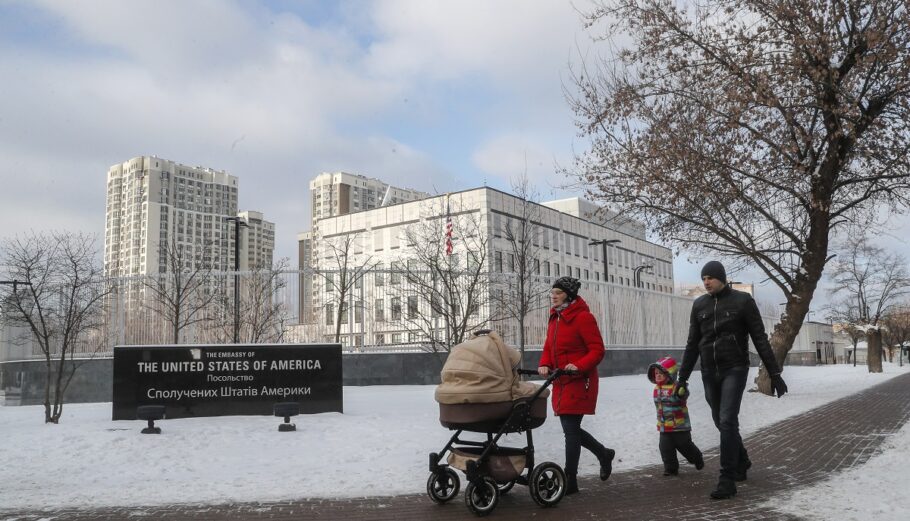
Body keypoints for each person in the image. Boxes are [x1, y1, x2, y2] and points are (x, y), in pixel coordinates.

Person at [675, 261, 788, 500]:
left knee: (727, 420)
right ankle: (742, 459)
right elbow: (692, 344)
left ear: (721, 278)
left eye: (710, 278)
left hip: (734, 368)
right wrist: (681, 378)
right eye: (703, 278)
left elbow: (759, 338)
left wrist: (774, 374)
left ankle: (727, 479)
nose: (706, 282)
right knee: (719, 419)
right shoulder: (699, 305)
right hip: (709, 370)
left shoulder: (742, 301)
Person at [538, 276, 615, 495]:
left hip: (581, 381)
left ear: (569, 295)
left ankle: (570, 478)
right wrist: (544, 363)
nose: (553, 296)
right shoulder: (555, 318)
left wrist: (578, 366)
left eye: (558, 292)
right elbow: (547, 347)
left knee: (570, 430)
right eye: (552, 292)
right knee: (571, 429)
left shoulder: (583, 318)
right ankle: (603, 453)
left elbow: (597, 350)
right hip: (561, 380)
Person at [647, 356, 704, 476]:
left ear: (670, 374)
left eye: (661, 373)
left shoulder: (676, 387)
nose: (657, 375)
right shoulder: (656, 389)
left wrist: (681, 392)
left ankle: (696, 457)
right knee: (665, 448)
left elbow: (683, 395)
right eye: (656, 373)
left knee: (685, 446)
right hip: (664, 427)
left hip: (680, 426)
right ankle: (671, 468)